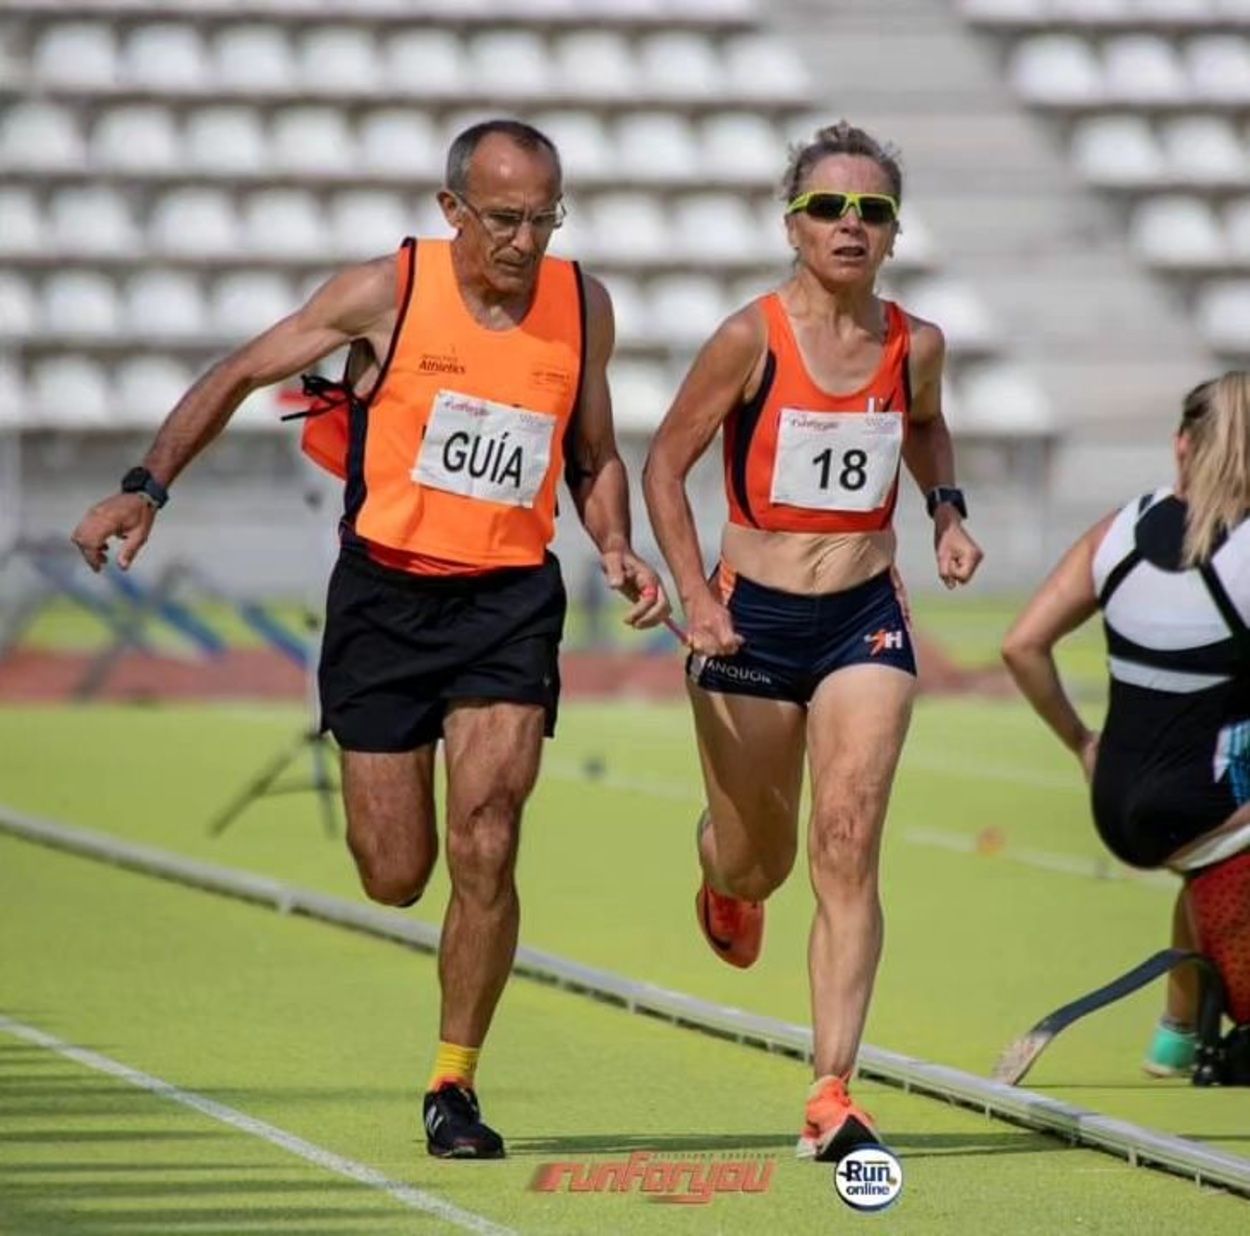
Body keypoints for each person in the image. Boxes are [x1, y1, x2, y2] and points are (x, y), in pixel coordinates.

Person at [69, 119, 670, 1158]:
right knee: (394, 871)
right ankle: (425, 960)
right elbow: (241, 371)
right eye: (503, 220)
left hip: (507, 603)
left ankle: (453, 1086)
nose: (525, 242)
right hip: (384, 604)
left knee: (488, 831)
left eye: (543, 218)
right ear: (451, 212)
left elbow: (593, 451)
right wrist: (145, 486)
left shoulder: (583, 305)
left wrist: (613, 541)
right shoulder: (385, 291)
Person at [642, 121, 983, 1160]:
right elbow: (664, 464)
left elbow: (921, 426)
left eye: (870, 212)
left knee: (846, 842)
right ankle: (720, 875)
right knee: (761, 863)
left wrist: (945, 512)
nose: (849, 225)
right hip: (748, 619)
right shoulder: (750, 337)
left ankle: (829, 1090)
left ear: (890, 235)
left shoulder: (911, 344)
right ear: (792, 224)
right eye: (829, 208)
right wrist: (696, 597)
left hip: (861, 617)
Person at [1002, 372, 1250, 1078]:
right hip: (1204, 806)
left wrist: (1082, 743)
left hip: (1115, 801)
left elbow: (1021, 646)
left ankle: (1176, 1033)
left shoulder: (1119, 529)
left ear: (1180, 446)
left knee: (1205, 859)